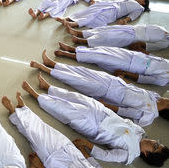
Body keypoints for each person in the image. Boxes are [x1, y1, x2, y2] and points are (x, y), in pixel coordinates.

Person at [21, 78, 169, 166]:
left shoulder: (129, 155)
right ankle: (49, 88)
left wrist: (87, 145)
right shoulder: (140, 131)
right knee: (75, 97)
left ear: (146, 154)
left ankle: (35, 95)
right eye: (157, 142)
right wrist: (106, 107)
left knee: (65, 109)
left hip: (94, 126)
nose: (153, 141)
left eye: (155, 146)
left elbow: (105, 155)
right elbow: (123, 119)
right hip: (103, 112)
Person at [30, 51, 169, 126]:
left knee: (77, 80)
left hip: (109, 93)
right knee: (83, 71)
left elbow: (123, 111)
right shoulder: (155, 96)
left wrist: (104, 104)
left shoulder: (149, 115)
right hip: (116, 83)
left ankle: (45, 69)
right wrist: (123, 79)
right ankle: (52, 63)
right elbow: (134, 88)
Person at [54, 43, 169, 86]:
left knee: (99, 57)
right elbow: (153, 57)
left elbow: (141, 78)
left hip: (130, 65)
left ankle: (67, 54)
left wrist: (125, 73)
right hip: (134, 55)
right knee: (104, 50)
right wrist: (142, 51)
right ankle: (74, 49)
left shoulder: (163, 80)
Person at [56, 0, 149, 28]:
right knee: (90, 10)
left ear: (143, 3)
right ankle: (68, 18)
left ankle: (73, 24)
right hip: (109, 4)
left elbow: (133, 15)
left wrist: (126, 20)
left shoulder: (139, 7)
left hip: (115, 10)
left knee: (95, 15)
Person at [65, 24, 169, 53]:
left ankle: (81, 41)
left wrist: (137, 46)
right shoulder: (163, 28)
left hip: (134, 37)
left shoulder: (165, 43)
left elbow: (147, 46)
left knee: (108, 37)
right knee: (104, 29)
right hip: (131, 28)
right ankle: (79, 33)